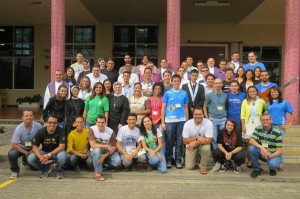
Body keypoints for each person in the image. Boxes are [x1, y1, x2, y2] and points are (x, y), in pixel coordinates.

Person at [161, 74, 189, 169]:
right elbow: (163, 107)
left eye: (178, 81)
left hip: (181, 120)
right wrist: (162, 122)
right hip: (169, 120)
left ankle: (178, 160)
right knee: (169, 140)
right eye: (175, 81)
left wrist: (187, 120)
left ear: (180, 82)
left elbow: (186, 107)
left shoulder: (184, 93)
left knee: (179, 141)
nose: (176, 82)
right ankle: (168, 159)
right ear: (172, 81)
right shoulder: (167, 93)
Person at [27, 115, 66, 179]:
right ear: (46, 123)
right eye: (50, 122)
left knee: (62, 156)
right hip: (44, 152)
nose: (52, 124)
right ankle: (45, 169)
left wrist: (49, 155)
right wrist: (41, 157)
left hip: (56, 152)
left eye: (54, 123)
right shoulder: (41, 131)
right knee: (30, 159)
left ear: (57, 124)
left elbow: (62, 147)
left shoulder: (61, 131)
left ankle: (58, 170)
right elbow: (35, 147)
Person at [8, 110, 43, 179]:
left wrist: (34, 150)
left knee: (33, 167)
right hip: (22, 147)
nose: (28, 117)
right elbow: (13, 144)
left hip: (34, 147)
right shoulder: (19, 128)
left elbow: (42, 139)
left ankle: (25, 160)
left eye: (30, 115)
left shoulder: (38, 126)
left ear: (33, 117)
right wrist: (26, 153)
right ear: (22, 117)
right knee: (11, 154)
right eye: (26, 116)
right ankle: (15, 171)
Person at [268, 87, 295, 170]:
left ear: (279, 93)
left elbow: (292, 113)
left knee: (278, 146)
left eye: (275, 92)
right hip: (270, 126)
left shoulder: (284, 102)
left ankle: (281, 164)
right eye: (272, 92)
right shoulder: (269, 103)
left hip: (280, 127)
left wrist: (289, 124)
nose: (273, 93)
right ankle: (273, 162)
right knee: (271, 145)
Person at [248, 114, 283, 178]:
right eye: (263, 120)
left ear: (271, 120)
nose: (265, 121)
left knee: (273, 164)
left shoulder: (277, 132)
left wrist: (270, 155)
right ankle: (257, 169)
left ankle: (272, 169)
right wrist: (261, 148)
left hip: (272, 153)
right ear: (260, 121)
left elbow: (279, 150)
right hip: (262, 152)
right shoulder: (258, 129)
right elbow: (251, 140)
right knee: (251, 148)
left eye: (267, 119)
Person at [241, 86, 267, 167]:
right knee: (249, 143)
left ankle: (255, 160)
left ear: (256, 92)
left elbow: (265, 111)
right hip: (248, 123)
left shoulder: (261, 101)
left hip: (258, 122)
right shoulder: (245, 101)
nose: (252, 93)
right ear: (248, 93)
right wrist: (243, 125)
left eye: (254, 91)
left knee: (258, 142)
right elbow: (242, 114)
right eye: (250, 91)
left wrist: (264, 120)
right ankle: (249, 159)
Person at [89, 115, 121, 181]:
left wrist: (104, 156)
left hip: (107, 151)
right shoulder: (92, 129)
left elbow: (114, 147)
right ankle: (98, 173)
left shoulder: (110, 131)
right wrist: (105, 146)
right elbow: (93, 145)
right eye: (99, 122)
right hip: (95, 151)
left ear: (105, 123)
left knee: (117, 162)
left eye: (102, 122)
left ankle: (103, 162)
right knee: (97, 151)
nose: (100, 124)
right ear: (96, 122)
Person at [183, 108, 213, 174]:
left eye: (200, 114)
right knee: (189, 167)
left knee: (206, 148)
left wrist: (195, 142)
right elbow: (184, 141)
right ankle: (197, 158)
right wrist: (196, 138)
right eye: (196, 114)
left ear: (203, 115)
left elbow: (209, 140)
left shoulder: (208, 123)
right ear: (193, 115)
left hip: (202, 144)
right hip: (191, 145)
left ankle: (203, 166)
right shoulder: (187, 124)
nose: (198, 116)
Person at [203, 78, 227, 150]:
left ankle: (223, 155)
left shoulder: (225, 95)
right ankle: (216, 155)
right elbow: (204, 107)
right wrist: (207, 118)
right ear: (214, 84)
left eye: (220, 83)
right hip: (213, 119)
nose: (218, 85)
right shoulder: (209, 95)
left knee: (223, 138)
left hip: (223, 118)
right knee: (214, 139)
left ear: (222, 84)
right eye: (216, 83)